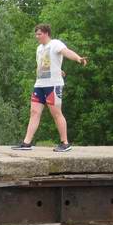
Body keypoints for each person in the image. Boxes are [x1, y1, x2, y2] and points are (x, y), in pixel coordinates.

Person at [12, 23, 88, 152]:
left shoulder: (55, 44)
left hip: (53, 85)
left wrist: (78, 58)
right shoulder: (39, 48)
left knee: (56, 113)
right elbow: (43, 64)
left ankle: (65, 143)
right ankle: (26, 143)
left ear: (46, 33)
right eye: (36, 34)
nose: (37, 36)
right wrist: (59, 69)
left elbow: (66, 52)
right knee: (34, 112)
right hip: (39, 85)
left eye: (39, 34)